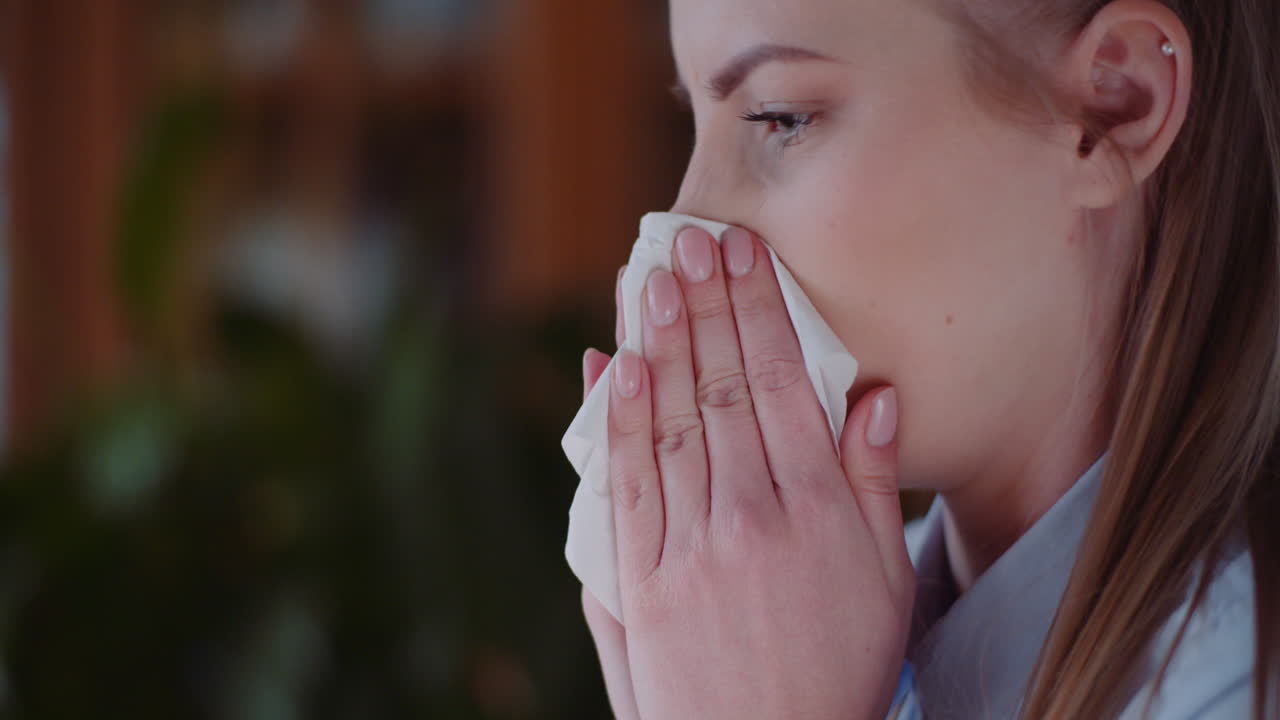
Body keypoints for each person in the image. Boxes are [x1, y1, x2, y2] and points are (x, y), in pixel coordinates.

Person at [576, 0, 1278, 717]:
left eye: (780, 118)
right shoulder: (784, 629)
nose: (685, 229)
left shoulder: (1233, 683)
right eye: (692, 122)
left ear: (1113, 107)